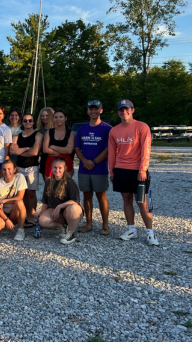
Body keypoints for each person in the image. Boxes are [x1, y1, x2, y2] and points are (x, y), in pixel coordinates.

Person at [108, 99, 157, 246]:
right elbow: (111, 153)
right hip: (121, 170)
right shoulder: (114, 131)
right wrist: (112, 171)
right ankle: (131, 229)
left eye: (127, 109)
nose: (124, 112)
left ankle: (150, 232)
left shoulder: (142, 127)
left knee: (141, 201)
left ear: (132, 110)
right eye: (121, 110)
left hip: (138, 171)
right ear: (118, 112)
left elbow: (146, 150)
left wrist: (142, 169)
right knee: (126, 200)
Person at [74, 100, 112, 235]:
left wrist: (94, 162)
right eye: (91, 109)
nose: (93, 112)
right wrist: (84, 160)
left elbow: (108, 149)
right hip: (84, 168)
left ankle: (105, 225)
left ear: (101, 110)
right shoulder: (82, 129)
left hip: (99, 168)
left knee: (101, 196)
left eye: (96, 109)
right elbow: (77, 148)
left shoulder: (107, 128)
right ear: (87, 111)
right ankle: (89, 223)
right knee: (87, 195)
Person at [37, 159, 83, 245]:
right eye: (55, 167)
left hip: (69, 211)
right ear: (51, 168)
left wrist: (60, 206)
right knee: (42, 220)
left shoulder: (70, 182)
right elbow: (45, 201)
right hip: (55, 212)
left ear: (64, 168)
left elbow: (75, 200)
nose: (57, 170)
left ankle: (71, 233)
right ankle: (63, 227)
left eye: (60, 168)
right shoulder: (48, 182)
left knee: (74, 208)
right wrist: (40, 215)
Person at [10, 113, 43, 228]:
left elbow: (35, 152)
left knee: (31, 193)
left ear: (33, 122)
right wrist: (26, 149)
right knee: (22, 193)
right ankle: (23, 215)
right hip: (19, 167)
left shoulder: (38, 135)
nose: (27, 122)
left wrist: (20, 150)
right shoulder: (17, 136)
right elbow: (12, 151)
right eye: (25, 121)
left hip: (32, 166)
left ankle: (31, 217)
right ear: (22, 122)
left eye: (30, 120)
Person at [0, 160, 27, 240]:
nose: (7, 172)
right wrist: (6, 219)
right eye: (4, 169)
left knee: (19, 202)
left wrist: (4, 201)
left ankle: (21, 230)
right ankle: (6, 223)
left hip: (14, 211)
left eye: (9, 169)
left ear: (14, 169)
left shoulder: (20, 177)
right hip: (2, 211)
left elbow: (20, 197)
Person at [43, 109, 75, 180]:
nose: (58, 119)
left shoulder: (71, 133)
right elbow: (45, 149)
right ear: (53, 119)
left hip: (66, 163)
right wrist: (64, 150)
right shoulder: (49, 132)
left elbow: (69, 151)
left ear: (65, 118)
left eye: (61, 117)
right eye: (56, 117)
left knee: (65, 187)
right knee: (50, 187)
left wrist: (53, 147)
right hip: (51, 162)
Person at [36, 107, 55, 180]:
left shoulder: (56, 130)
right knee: (47, 183)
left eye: (47, 116)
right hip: (43, 158)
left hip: (55, 157)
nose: (44, 117)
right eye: (42, 116)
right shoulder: (39, 131)